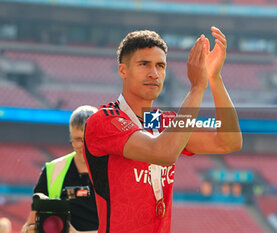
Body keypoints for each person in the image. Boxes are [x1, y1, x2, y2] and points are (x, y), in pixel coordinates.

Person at [83, 27, 242, 233]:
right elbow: (163, 153)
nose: (154, 73)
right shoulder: (104, 120)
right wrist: (196, 89)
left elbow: (229, 141)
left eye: (160, 65)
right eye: (144, 64)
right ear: (123, 70)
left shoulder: (164, 121)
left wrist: (214, 78)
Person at [22, 105, 99, 233]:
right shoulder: (53, 170)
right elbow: (29, 224)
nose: (83, 146)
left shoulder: (116, 171)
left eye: (88, 139)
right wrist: (29, 230)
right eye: (77, 139)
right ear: (71, 137)